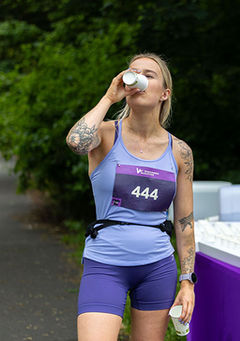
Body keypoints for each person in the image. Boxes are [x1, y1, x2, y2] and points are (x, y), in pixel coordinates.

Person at [66, 53, 196, 340]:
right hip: (105, 263)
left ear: (164, 93)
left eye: (149, 74)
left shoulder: (180, 152)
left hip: (157, 267)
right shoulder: (104, 135)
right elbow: (76, 142)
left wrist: (187, 282)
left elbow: (185, 222)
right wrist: (109, 98)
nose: (139, 78)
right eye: (133, 72)